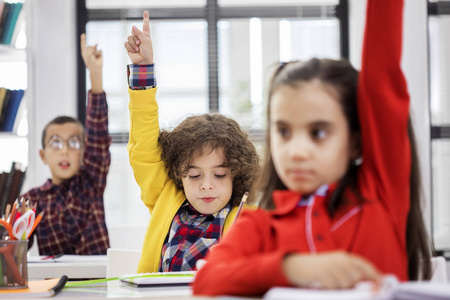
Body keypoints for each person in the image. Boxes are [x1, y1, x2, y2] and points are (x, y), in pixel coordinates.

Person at [192, 0, 432, 296]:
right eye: (283, 131)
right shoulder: (260, 225)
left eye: (318, 133)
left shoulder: (379, 194)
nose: (296, 151)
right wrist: (294, 268)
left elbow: (382, 75)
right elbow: (206, 281)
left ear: (356, 142)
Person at [124, 12, 260, 273]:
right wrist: (143, 69)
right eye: (194, 175)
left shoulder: (248, 219)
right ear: (179, 175)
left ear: (237, 176)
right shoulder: (165, 199)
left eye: (220, 174)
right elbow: (143, 145)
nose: (207, 186)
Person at [21, 34, 111, 255]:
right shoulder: (32, 199)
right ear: (43, 155)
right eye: (55, 143)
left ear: (84, 151)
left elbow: (98, 133)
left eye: (73, 143)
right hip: (54, 283)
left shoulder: (91, 182)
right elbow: (15, 246)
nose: (65, 150)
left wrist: (95, 73)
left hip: (97, 280)